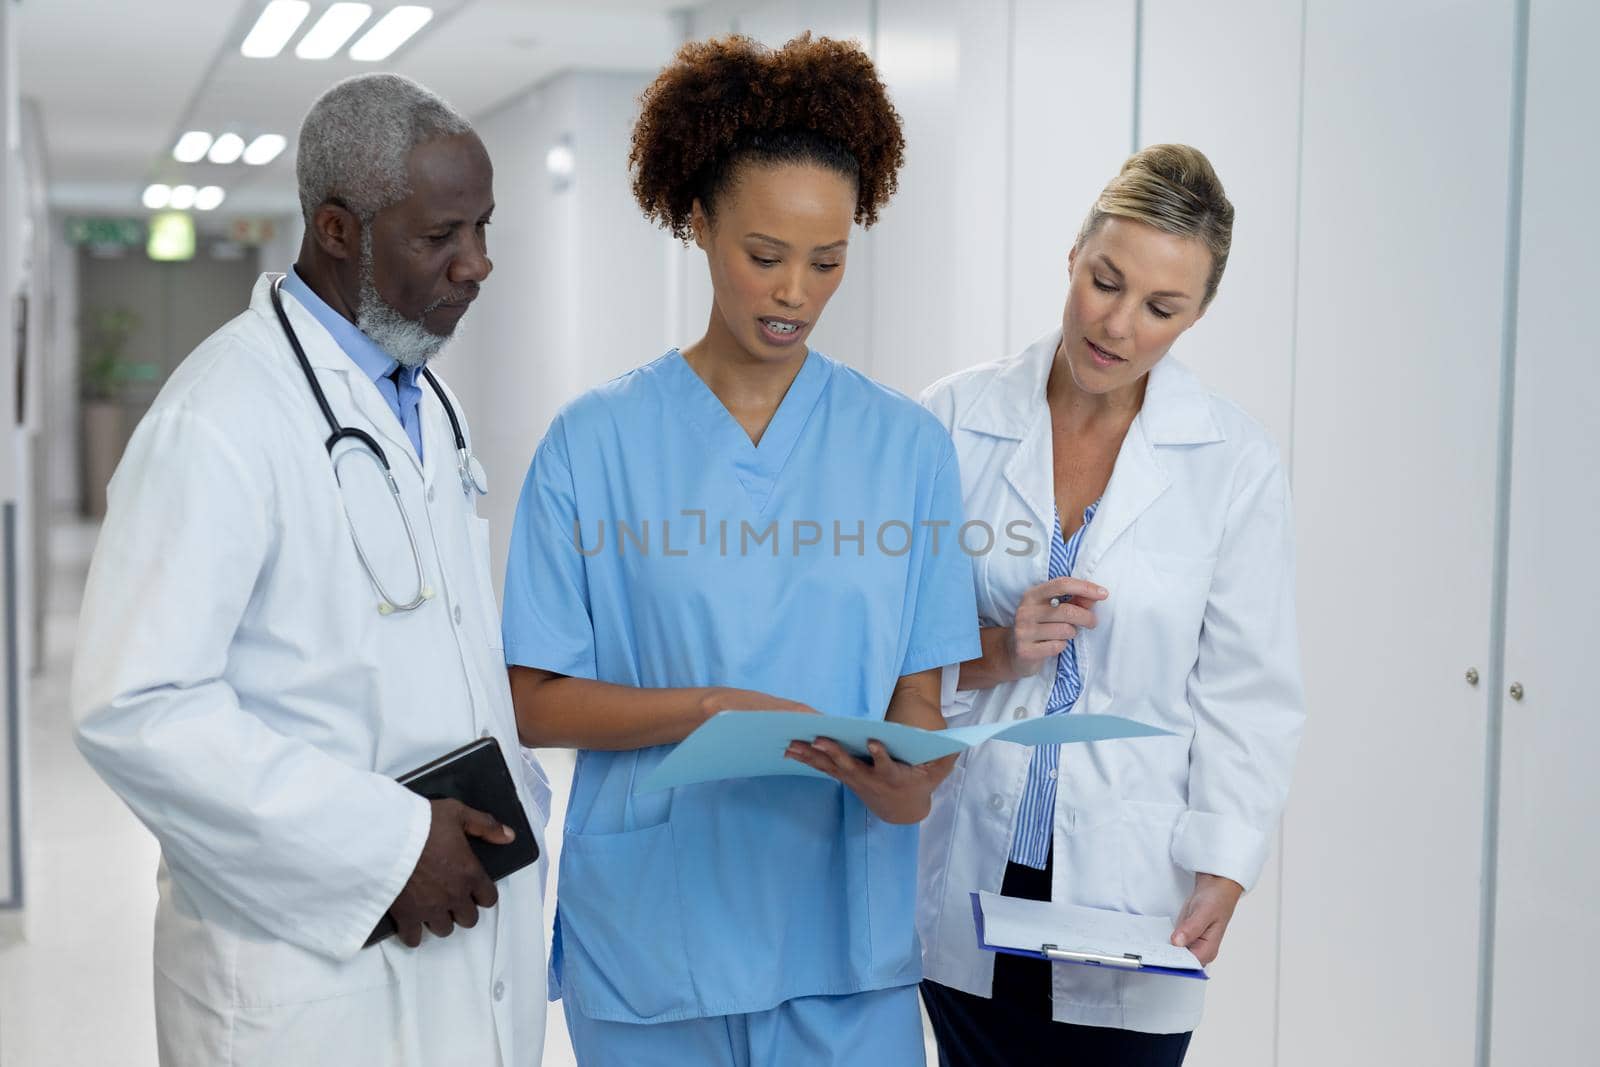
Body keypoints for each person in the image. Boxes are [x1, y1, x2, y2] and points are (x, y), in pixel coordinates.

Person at [501, 34, 979, 1067]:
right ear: (698, 221)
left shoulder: (906, 448)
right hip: (652, 937)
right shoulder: (595, 442)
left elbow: (919, 706)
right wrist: (709, 708)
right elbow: (532, 695)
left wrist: (909, 784)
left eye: (828, 258)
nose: (794, 292)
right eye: (764, 254)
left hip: (843, 949)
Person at [71, 73, 549, 1067]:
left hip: (455, 926)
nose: (478, 264)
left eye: (484, 228)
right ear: (337, 230)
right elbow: (137, 705)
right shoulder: (221, 416)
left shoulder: (418, 397)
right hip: (303, 973)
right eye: (441, 236)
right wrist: (384, 847)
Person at [915, 145, 1305, 1066]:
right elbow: (887, 651)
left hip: (1129, 892)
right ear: (1074, 253)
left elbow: (1249, 690)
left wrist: (1226, 865)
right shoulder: (949, 420)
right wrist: (997, 651)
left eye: (1161, 308)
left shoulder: (1231, 464)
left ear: (1197, 314)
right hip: (970, 869)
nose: (1119, 324)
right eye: (1106, 281)